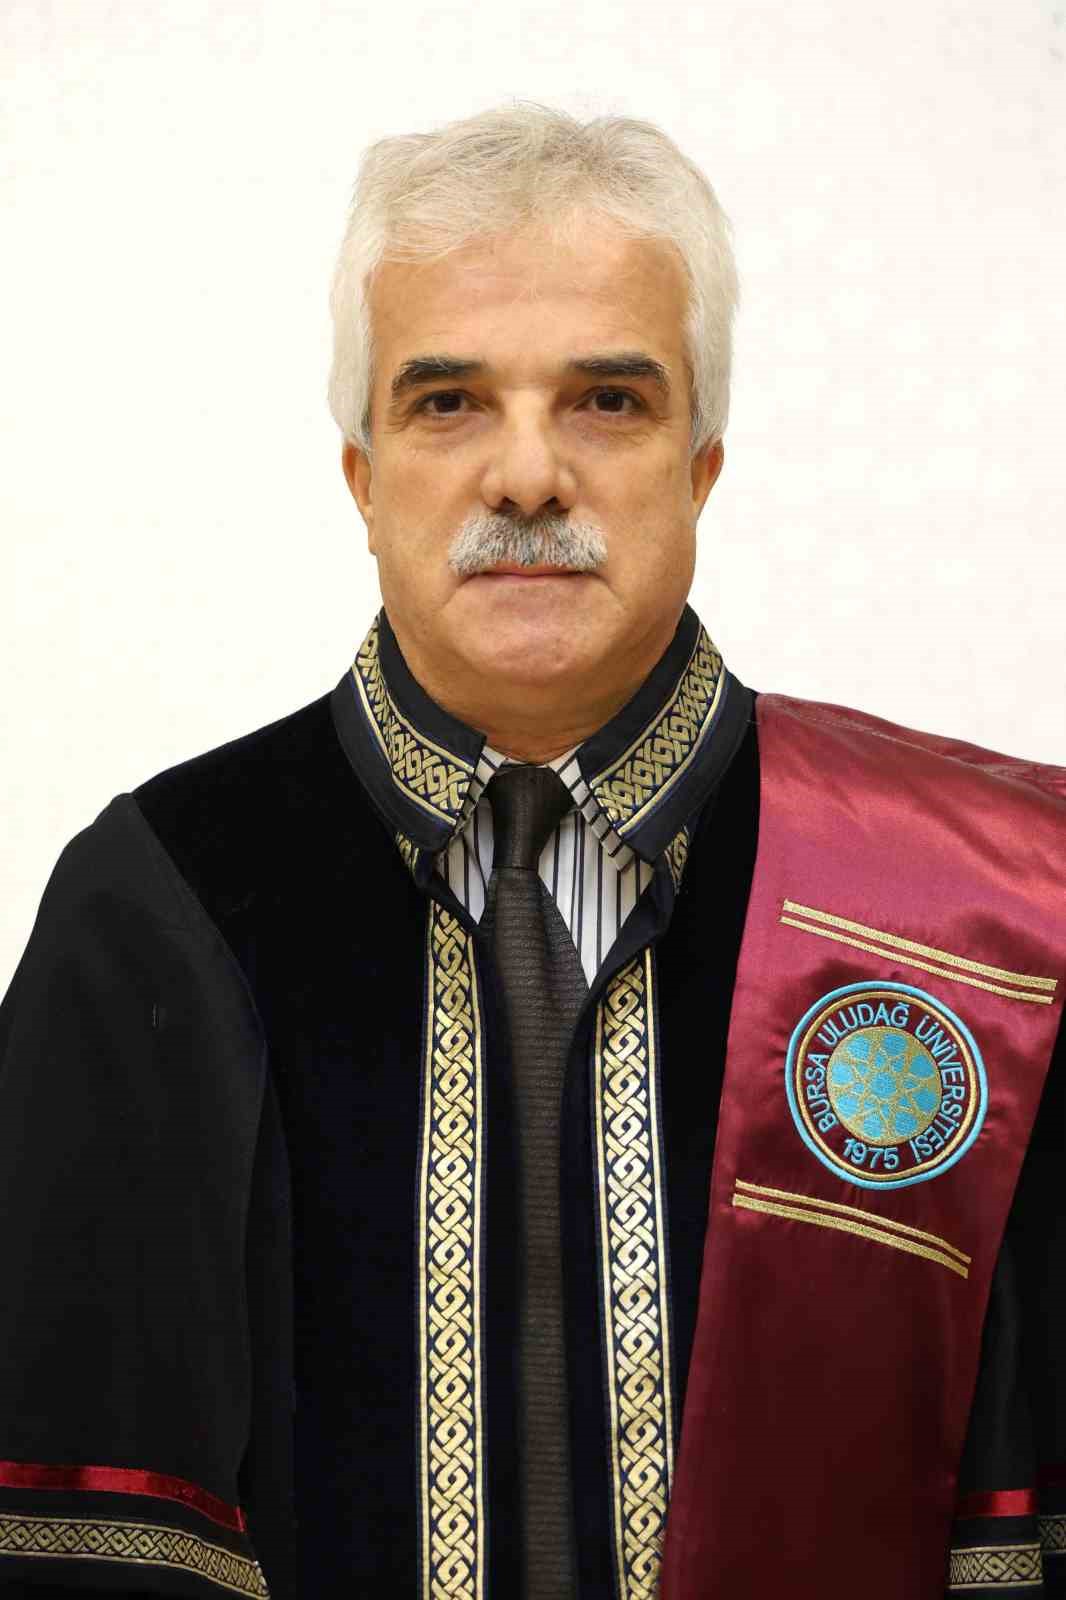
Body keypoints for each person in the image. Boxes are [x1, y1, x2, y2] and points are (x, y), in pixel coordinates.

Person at [0, 101, 1063, 1600]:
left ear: (701, 465)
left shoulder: (977, 914)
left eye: (605, 401)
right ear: (362, 477)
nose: (525, 476)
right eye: (447, 403)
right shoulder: (157, 905)